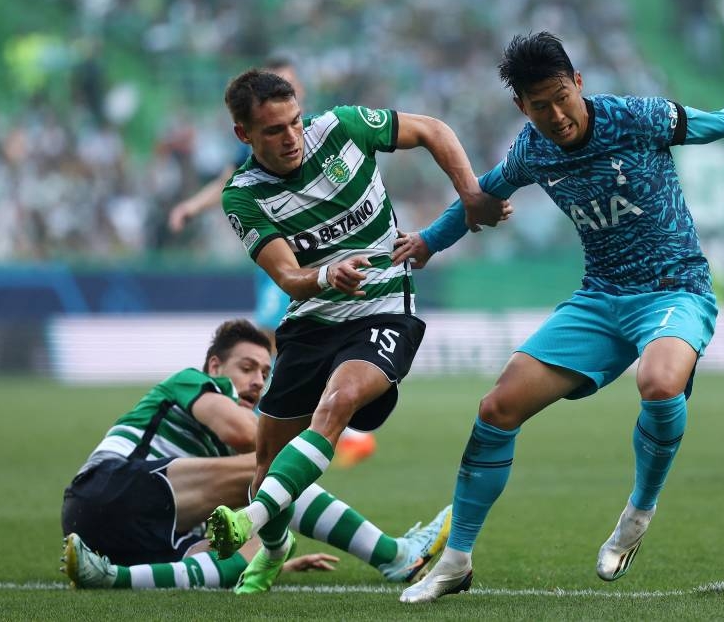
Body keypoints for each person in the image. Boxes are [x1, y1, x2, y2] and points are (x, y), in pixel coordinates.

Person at [390, 31, 724, 604]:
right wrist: (427, 243)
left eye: (561, 97)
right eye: (539, 105)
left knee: (658, 381)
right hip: (600, 299)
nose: (556, 115)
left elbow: (720, 123)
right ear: (521, 106)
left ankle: (637, 515)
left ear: (578, 83)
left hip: (674, 289)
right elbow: (479, 196)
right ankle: (454, 561)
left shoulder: (637, 118)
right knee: (497, 407)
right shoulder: (532, 148)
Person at [205, 68, 507, 595]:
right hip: (313, 320)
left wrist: (471, 194)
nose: (292, 137)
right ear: (244, 135)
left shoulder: (343, 128)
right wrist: (324, 274)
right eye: (274, 130)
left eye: (295, 122)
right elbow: (288, 278)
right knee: (265, 464)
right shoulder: (243, 196)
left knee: (338, 400)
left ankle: (248, 526)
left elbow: (433, 130)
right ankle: (275, 548)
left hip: (387, 307)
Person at [60, 319, 451, 590]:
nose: (257, 382)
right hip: (104, 493)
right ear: (215, 365)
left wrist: (271, 555)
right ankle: (396, 555)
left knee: (247, 544)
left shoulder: (214, 462)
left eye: (265, 373)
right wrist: (327, 432)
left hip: (139, 536)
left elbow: (216, 533)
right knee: (267, 471)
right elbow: (246, 434)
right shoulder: (193, 382)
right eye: (247, 368)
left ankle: (112, 577)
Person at [167, 57, 376, 467]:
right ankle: (289, 421)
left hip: (323, 266)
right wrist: (191, 208)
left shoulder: (316, 133)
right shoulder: (261, 148)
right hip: (290, 268)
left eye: (292, 86)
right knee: (273, 338)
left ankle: (306, 423)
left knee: (282, 339)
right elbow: (228, 180)